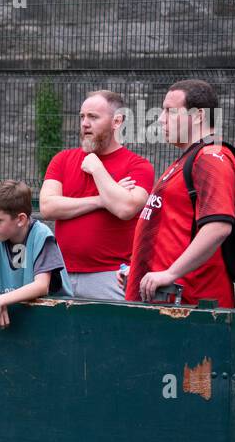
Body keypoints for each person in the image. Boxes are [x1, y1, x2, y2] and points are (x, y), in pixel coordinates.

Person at [124, 79, 235, 308]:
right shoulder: (188, 160)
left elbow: (218, 227)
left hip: (188, 304)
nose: (160, 119)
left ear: (198, 116)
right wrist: (141, 269)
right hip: (168, 299)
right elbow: (173, 228)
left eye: (169, 111)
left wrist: (169, 274)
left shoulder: (210, 158)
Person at [39, 91, 153, 300]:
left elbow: (125, 209)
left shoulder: (138, 166)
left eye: (93, 117)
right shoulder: (62, 159)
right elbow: (47, 207)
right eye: (82, 117)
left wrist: (98, 168)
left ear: (117, 121)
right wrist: (102, 201)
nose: (84, 123)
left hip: (111, 276)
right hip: (60, 272)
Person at [0, 180, 72, 327]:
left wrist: (1, 301)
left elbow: (41, 285)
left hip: (54, 319)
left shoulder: (41, 235)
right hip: (15, 313)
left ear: (20, 219)